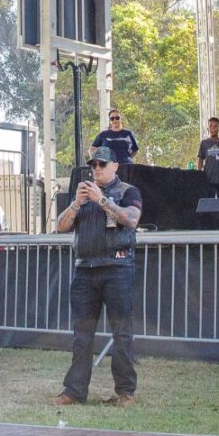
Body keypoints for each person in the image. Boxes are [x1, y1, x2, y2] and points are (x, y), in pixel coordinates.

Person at [54, 146, 142, 407]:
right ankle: (74, 391)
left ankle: (126, 392)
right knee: (82, 334)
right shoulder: (81, 193)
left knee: (121, 332)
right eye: (93, 165)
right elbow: (60, 226)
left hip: (118, 269)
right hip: (85, 270)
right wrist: (76, 203)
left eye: (102, 164)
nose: (97, 169)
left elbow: (131, 220)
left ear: (115, 166)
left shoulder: (128, 191)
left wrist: (102, 200)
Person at [197, 117, 219, 197]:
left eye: (215, 126)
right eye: (211, 126)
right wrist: (199, 175)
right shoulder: (204, 143)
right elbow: (200, 160)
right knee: (210, 204)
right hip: (209, 178)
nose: (213, 128)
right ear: (208, 128)